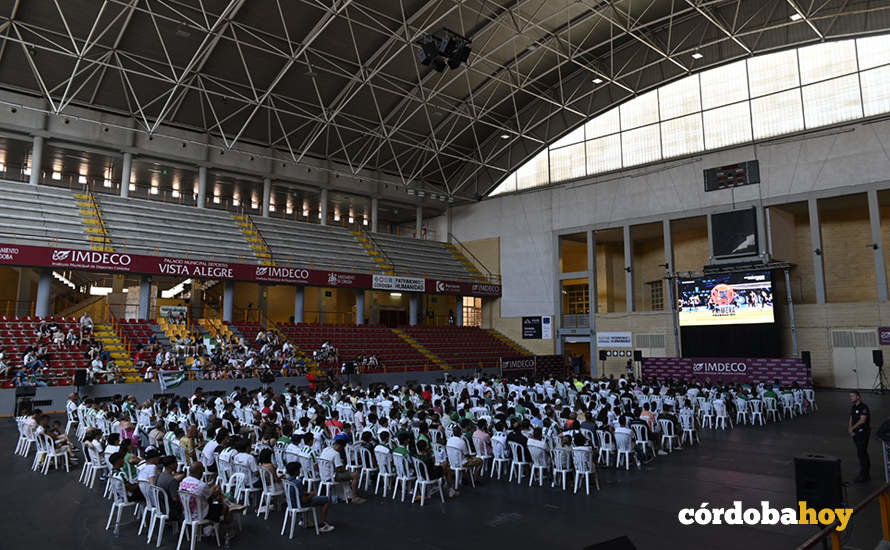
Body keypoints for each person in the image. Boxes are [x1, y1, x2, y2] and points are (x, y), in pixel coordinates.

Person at [284, 462, 334, 532]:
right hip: (299, 504)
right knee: (326, 500)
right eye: (299, 470)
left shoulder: (287, 481)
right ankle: (324, 524)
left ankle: (303, 520)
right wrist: (312, 495)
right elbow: (304, 500)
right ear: (296, 471)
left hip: (291, 504)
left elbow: (295, 493)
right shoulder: (298, 482)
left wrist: (306, 493)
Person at [318, 435, 366, 504]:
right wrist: (347, 471)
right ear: (341, 447)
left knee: (349, 474)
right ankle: (354, 497)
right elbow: (339, 469)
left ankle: (348, 493)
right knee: (355, 475)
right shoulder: (336, 454)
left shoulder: (326, 449)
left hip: (323, 475)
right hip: (332, 476)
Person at [849, 390, 871, 482]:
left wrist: (852, 428)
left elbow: (862, 420)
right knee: (860, 453)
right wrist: (850, 428)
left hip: (863, 433)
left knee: (862, 453)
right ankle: (865, 474)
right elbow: (851, 417)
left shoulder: (863, 407)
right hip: (855, 433)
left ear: (858, 397)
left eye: (853, 396)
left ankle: (864, 475)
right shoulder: (854, 407)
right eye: (850, 396)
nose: (851, 398)